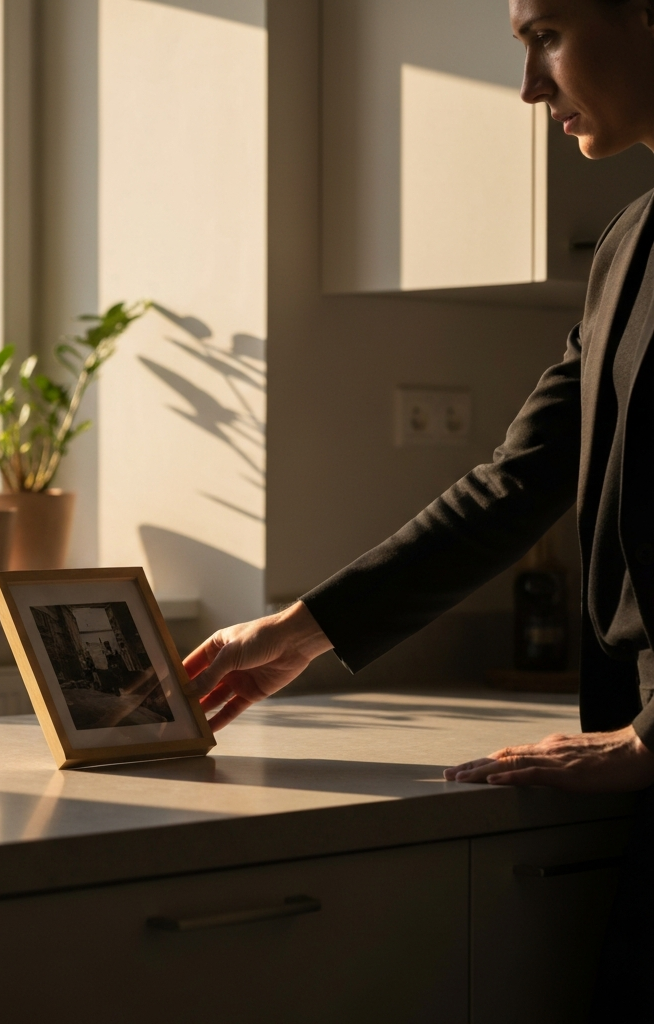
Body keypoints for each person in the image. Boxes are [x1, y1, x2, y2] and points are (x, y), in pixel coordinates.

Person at [186, 0, 654, 793]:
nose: (528, 88)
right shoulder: (626, 246)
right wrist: (302, 632)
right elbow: (519, 481)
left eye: (548, 37)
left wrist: (650, 745)